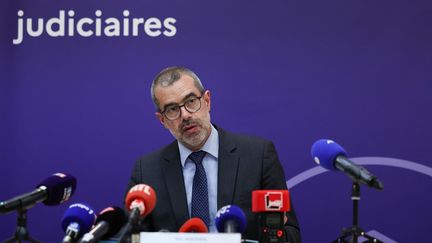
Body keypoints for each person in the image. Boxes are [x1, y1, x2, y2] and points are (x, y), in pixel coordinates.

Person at [126, 66, 301, 242]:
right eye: (172, 109)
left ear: (207, 101)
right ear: (162, 120)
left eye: (191, 101)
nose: (185, 115)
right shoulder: (147, 171)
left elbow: (291, 234)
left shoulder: (259, 155)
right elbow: (131, 237)